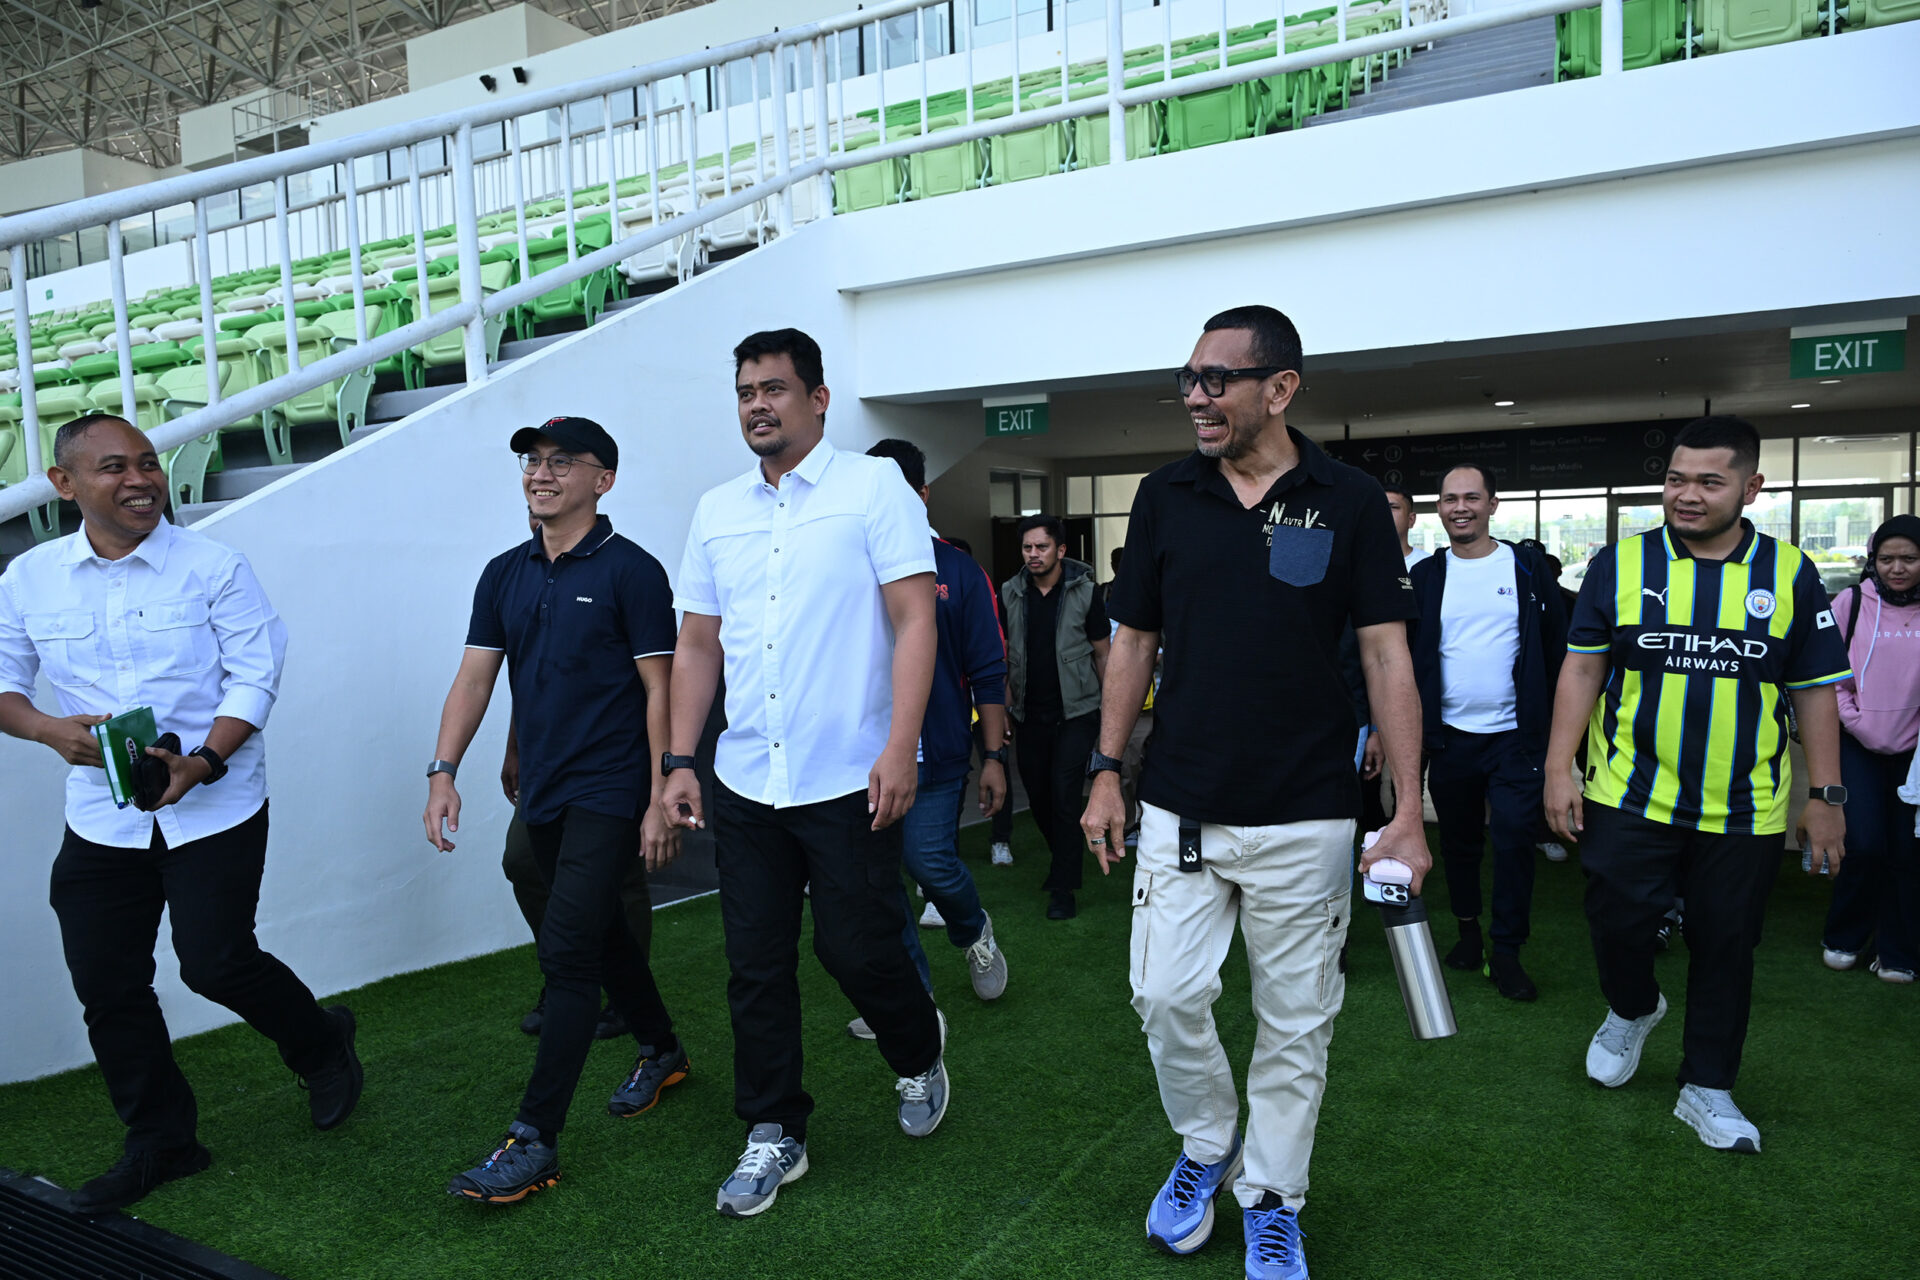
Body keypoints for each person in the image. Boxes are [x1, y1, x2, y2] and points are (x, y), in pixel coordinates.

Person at [1081, 306, 1428, 1280]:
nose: (1197, 397)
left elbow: (1387, 653)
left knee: (1297, 1020)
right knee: (1163, 993)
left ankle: (1274, 1196)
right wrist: (1104, 770)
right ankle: (1208, 1143)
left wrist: (1407, 811)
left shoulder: (1349, 500)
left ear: (1280, 389)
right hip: (1182, 801)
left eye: (1217, 380)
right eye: (1188, 379)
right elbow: (1133, 642)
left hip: (1309, 809)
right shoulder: (1164, 494)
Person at [0, 413, 361, 1214]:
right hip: (102, 817)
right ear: (64, 484)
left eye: (148, 463)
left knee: (216, 962)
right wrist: (49, 729)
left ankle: (319, 1043)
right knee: (108, 984)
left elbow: (255, 677)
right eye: (114, 468)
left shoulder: (214, 565)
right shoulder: (29, 579)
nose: (140, 480)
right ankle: (163, 1140)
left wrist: (201, 763)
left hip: (215, 802)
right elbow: (4, 685)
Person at [659, 329, 949, 1219]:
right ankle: (774, 1129)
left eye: (775, 388)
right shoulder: (717, 510)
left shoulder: (874, 488)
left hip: (850, 776)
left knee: (855, 948)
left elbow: (914, 620)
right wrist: (679, 759)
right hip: (748, 778)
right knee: (754, 964)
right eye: (746, 391)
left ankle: (917, 1051)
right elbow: (697, 644)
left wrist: (900, 746)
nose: (758, 404)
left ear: (818, 399)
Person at [1545, 415, 1851, 1154]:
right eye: (1676, 478)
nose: (1687, 494)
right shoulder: (1620, 564)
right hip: (1629, 791)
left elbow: (1815, 690)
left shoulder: (1789, 573)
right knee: (1617, 919)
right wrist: (1558, 767)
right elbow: (1583, 666)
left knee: (1726, 944)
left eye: (1710, 482)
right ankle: (1632, 1006)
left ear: (1751, 487)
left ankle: (1707, 1085)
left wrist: (1827, 797)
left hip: (1745, 806)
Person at [424, 415, 686, 1204]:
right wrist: (444, 770)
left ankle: (533, 1140)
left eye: (561, 462)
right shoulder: (504, 572)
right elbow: (478, 677)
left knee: (569, 955)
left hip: (609, 787)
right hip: (541, 783)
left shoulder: (633, 572)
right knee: (589, 923)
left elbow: (660, 691)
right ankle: (663, 1048)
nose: (540, 473)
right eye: (533, 461)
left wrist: (659, 794)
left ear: (603, 480)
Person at [832, 438, 1009, 1027]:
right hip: (858, 758)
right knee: (880, 884)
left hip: (938, 753)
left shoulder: (958, 570)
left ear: (921, 496)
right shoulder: (845, 565)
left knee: (929, 863)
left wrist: (993, 757)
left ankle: (973, 929)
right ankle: (915, 1004)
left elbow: (988, 668)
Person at [1409, 464, 1567, 1001]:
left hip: (1514, 738)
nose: (1461, 508)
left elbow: (1556, 646)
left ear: (1493, 505)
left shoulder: (1526, 567)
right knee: (1458, 842)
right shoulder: (1427, 575)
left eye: (1472, 498)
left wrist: (1555, 731)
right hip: (1450, 738)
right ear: (1439, 508)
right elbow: (1407, 656)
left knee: (1515, 838)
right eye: (1450, 499)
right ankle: (1468, 931)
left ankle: (1506, 951)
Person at [1823, 515, 1920, 983]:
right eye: (1887, 559)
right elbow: (1826, 670)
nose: (1897, 568)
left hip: (1915, 753)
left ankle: (1897, 949)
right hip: (1857, 741)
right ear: (1872, 560)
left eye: (1910, 559)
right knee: (1863, 843)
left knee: (1907, 849)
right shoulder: (1852, 602)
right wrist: (1855, 720)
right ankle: (1846, 934)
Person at [1001, 514, 1110, 919]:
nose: (1033, 554)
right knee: (1039, 797)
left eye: (1041, 547)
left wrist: (1110, 711)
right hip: (1029, 715)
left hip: (1077, 713)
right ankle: (1064, 857)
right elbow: (1007, 653)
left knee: (1064, 797)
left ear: (1061, 550)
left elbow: (1103, 654)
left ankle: (1063, 888)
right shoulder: (1010, 592)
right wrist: (1006, 706)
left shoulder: (1086, 592)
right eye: (1027, 547)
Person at [1385, 483, 1428, 569]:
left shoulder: (1429, 565)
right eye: (1378, 507)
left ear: (1411, 519)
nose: (1383, 512)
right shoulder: (1359, 564)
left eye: (1392, 507)